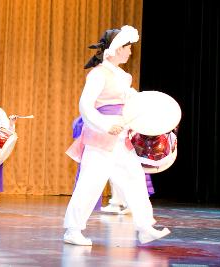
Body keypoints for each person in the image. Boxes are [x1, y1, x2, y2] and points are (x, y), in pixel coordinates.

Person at [63, 25, 170, 246]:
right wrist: (103, 124)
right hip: (101, 137)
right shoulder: (98, 74)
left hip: (121, 138)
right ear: (117, 49)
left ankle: (145, 227)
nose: (131, 52)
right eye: (128, 48)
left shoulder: (122, 76)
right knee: (90, 183)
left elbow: (129, 103)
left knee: (135, 179)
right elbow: (85, 105)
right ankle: (73, 230)